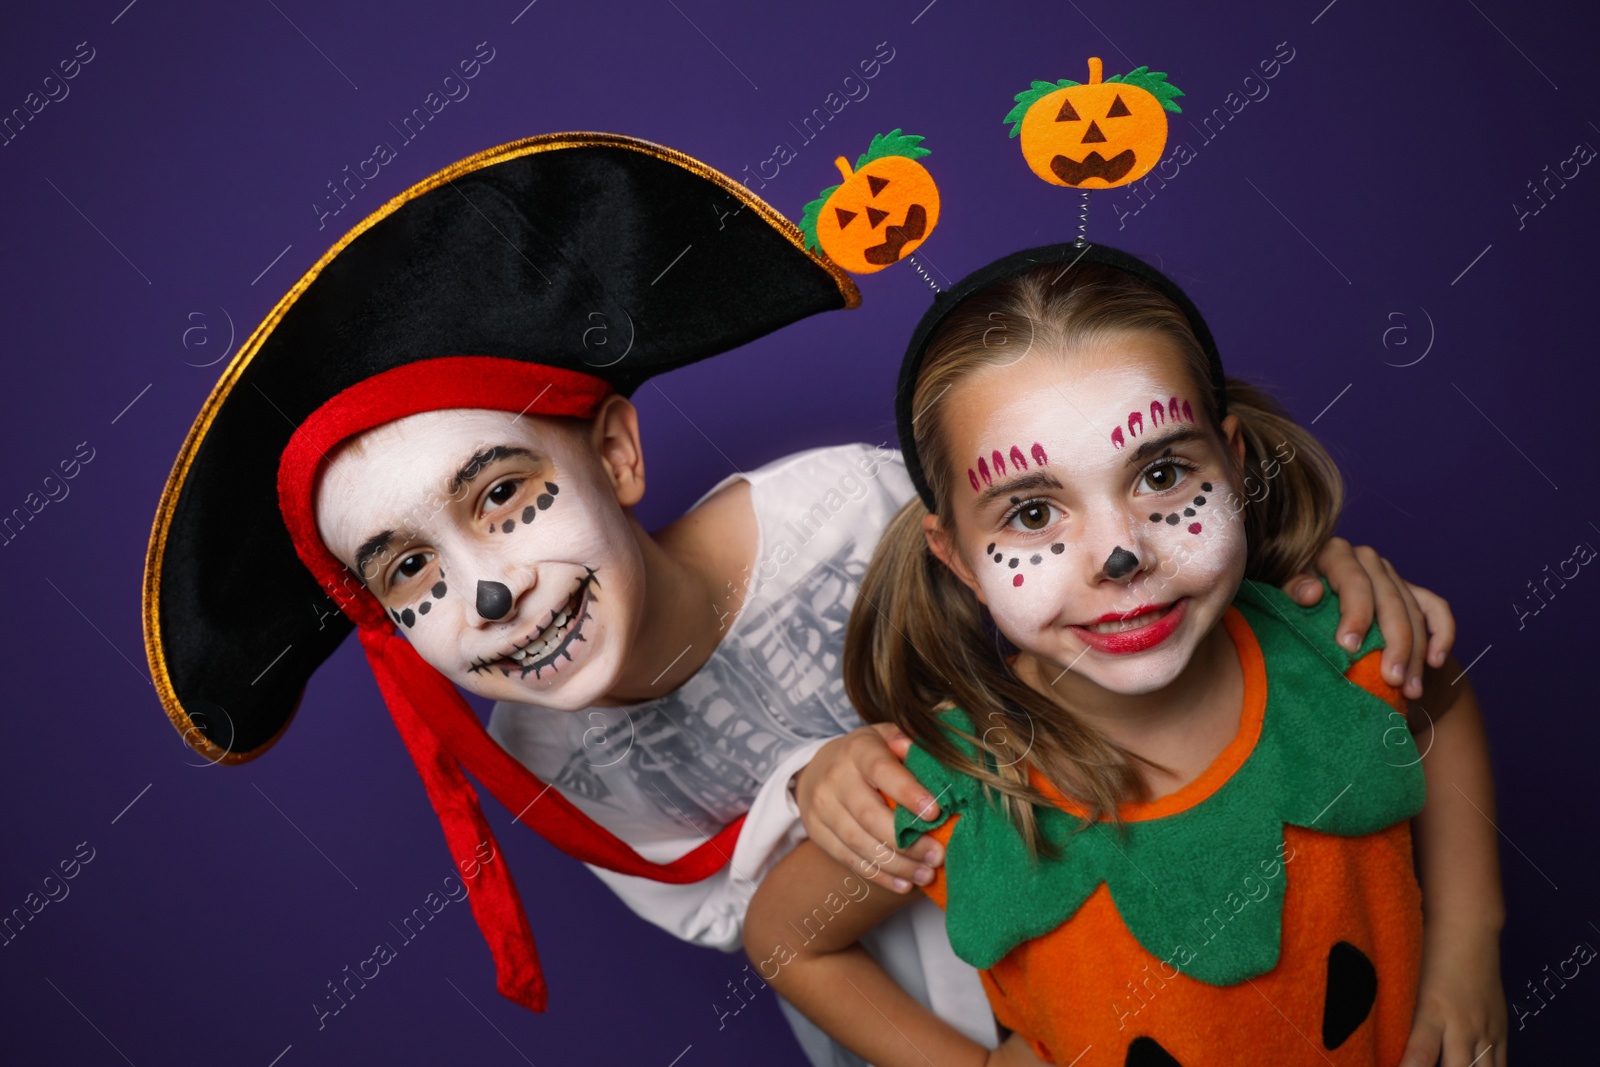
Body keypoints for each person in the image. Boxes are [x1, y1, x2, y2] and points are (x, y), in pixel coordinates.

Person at [144, 131, 1466, 1061]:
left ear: (613, 451)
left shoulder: (845, 507)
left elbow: (1069, 563)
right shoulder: (539, 743)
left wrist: (1309, 578)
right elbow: (750, 919)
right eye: (412, 572)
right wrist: (814, 793)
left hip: (1137, 895)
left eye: (500, 497)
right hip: (925, 997)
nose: (485, 592)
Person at [744, 244, 1505, 1067]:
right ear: (958, 557)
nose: (1119, 554)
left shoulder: (1346, 646)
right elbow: (787, 937)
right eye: (1032, 513)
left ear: (1235, 463)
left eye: (1164, 472)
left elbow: (1443, 702)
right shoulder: (955, 781)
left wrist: (1470, 939)